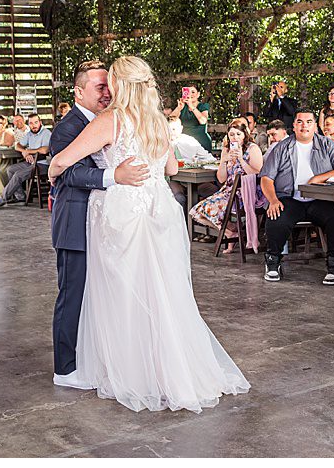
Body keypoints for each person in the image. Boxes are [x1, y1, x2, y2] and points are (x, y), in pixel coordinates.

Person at [48, 55, 250, 412]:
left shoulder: (113, 120)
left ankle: (130, 371)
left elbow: (61, 162)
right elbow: (171, 167)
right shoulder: (157, 120)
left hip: (123, 212)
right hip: (160, 211)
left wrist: (53, 169)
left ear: (120, 85)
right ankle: (166, 371)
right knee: (161, 293)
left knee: (122, 294)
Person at [46, 60, 149, 389]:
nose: (107, 93)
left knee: (100, 294)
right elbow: (68, 173)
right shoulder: (67, 127)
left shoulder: (118, 120)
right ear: (78, 91)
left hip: (106, 221)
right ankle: (65, 369)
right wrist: (113, 177)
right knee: (73, 294)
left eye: (109, 86)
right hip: (75, 221)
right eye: (99, 87)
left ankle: (96, 358)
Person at [260, 108, 334, 285]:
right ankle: (272, 262)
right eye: (300, 122)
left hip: (319, 199)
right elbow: (266, 178)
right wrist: (273, 200)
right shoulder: (281, 147)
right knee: (276, 216)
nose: (304, 126)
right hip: (290, 198)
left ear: (315, 126)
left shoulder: (327, 144)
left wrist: (318, 178)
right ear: (293, 125)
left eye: (309, 122)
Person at [190, 119, 264, 252]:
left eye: (238, 134)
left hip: (247, 192)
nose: (235, 138)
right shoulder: (226, 149)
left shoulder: (253, 149)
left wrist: (241, 159)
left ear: (244, 135)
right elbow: (222, 179)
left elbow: (257, 174)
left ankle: (233, 233)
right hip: (228, 191)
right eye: (231, 134)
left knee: (208, 208)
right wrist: (223, 161)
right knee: (196, 212)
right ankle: (231, 232)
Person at [0, 114, 51, 207]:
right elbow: (17, 145)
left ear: (40, 122)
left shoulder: (46, 133)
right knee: (10, 169)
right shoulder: (30, 134)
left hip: (43, 165)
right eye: (31, 123)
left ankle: (1, 200)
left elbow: (44, 150)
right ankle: (20, 197)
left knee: (18, 175)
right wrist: (24, 151)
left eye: (36, 122)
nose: (33, 125)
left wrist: (28, 151)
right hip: (31, 162)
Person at [174, 85, 212, 151]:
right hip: (185, 143)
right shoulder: (182, 107)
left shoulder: (203, 106)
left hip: (201, 142)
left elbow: (203, 121)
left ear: (198, 94)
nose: (190, 94)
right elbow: (171, 120)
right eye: (188, 92)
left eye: (193, 92)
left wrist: (191, 106)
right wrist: (178, 108)